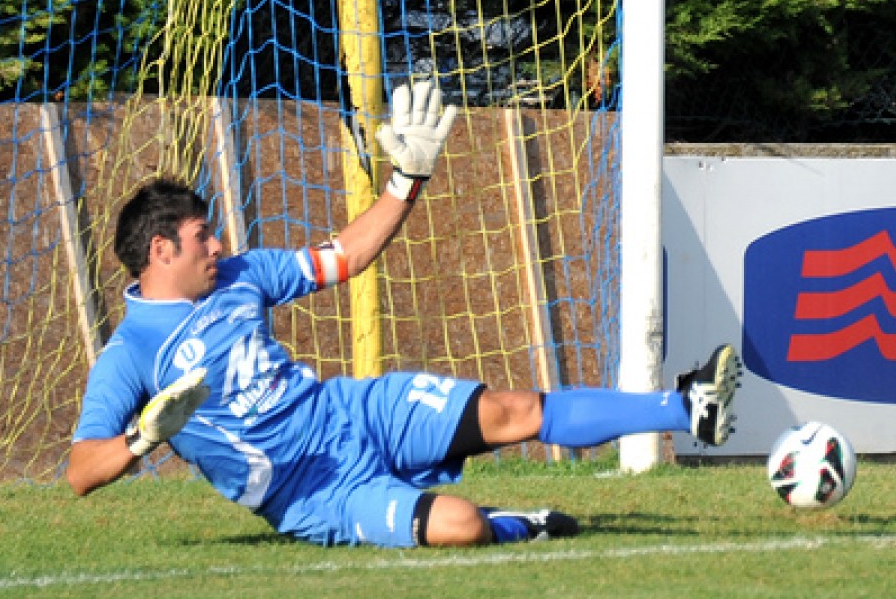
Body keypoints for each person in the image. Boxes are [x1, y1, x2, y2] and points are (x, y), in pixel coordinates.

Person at [67, 80, 742, 548]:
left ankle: (688, 407)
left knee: (512, 412)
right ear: (161, 250)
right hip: (311, 492)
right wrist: (142, 440)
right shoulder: (129, 357)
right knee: (463, 529)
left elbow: (344, 257)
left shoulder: (241, 277)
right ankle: (517, 523)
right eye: (201, 236)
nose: (218, 245)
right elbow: (78, 472)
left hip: (352, 412)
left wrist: (406, 181)